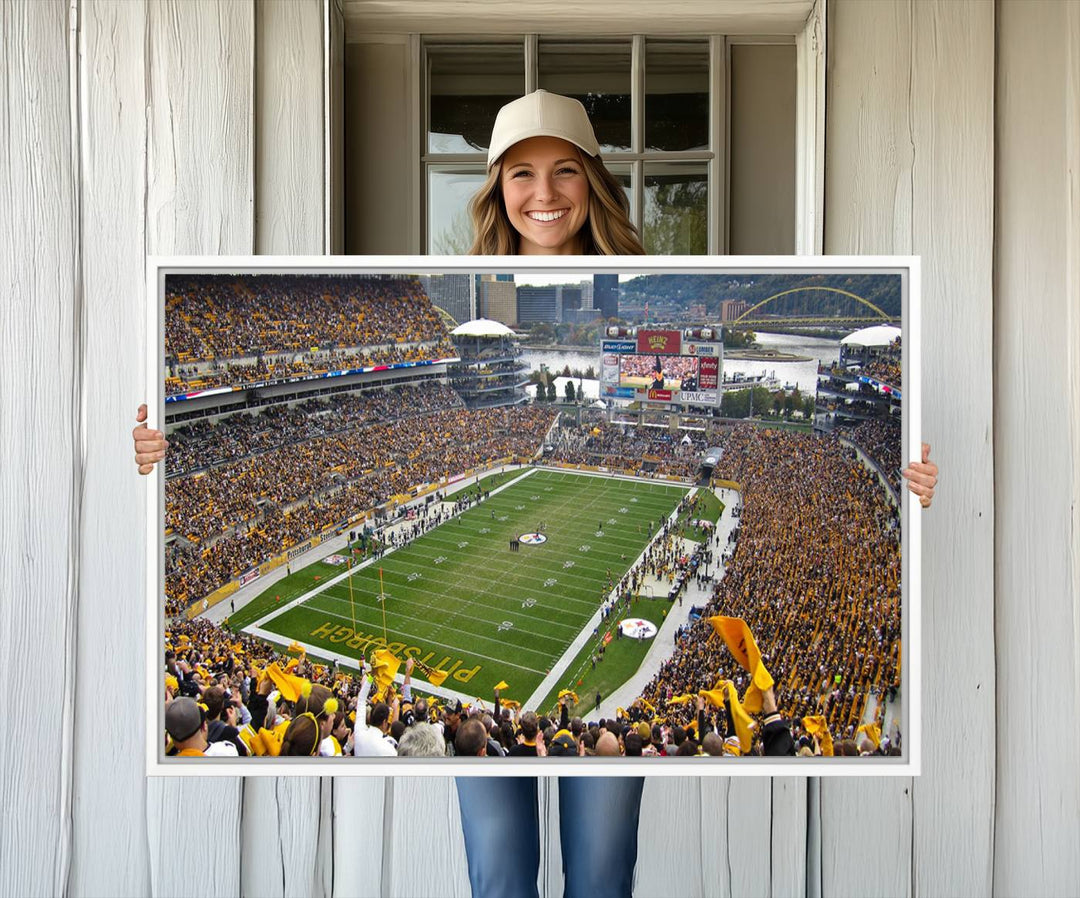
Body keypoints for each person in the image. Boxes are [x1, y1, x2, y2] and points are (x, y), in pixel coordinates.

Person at [132, 88, 939, 898]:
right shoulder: (445, 270)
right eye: (520, 173)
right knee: (500, 873)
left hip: (591, 750)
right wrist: (155, 453)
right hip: (492, 743)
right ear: (495, 188)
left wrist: (912, 472)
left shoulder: (651, 273)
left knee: (597, 873)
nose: (543, 194)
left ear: (595, 180)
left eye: (564, 172)